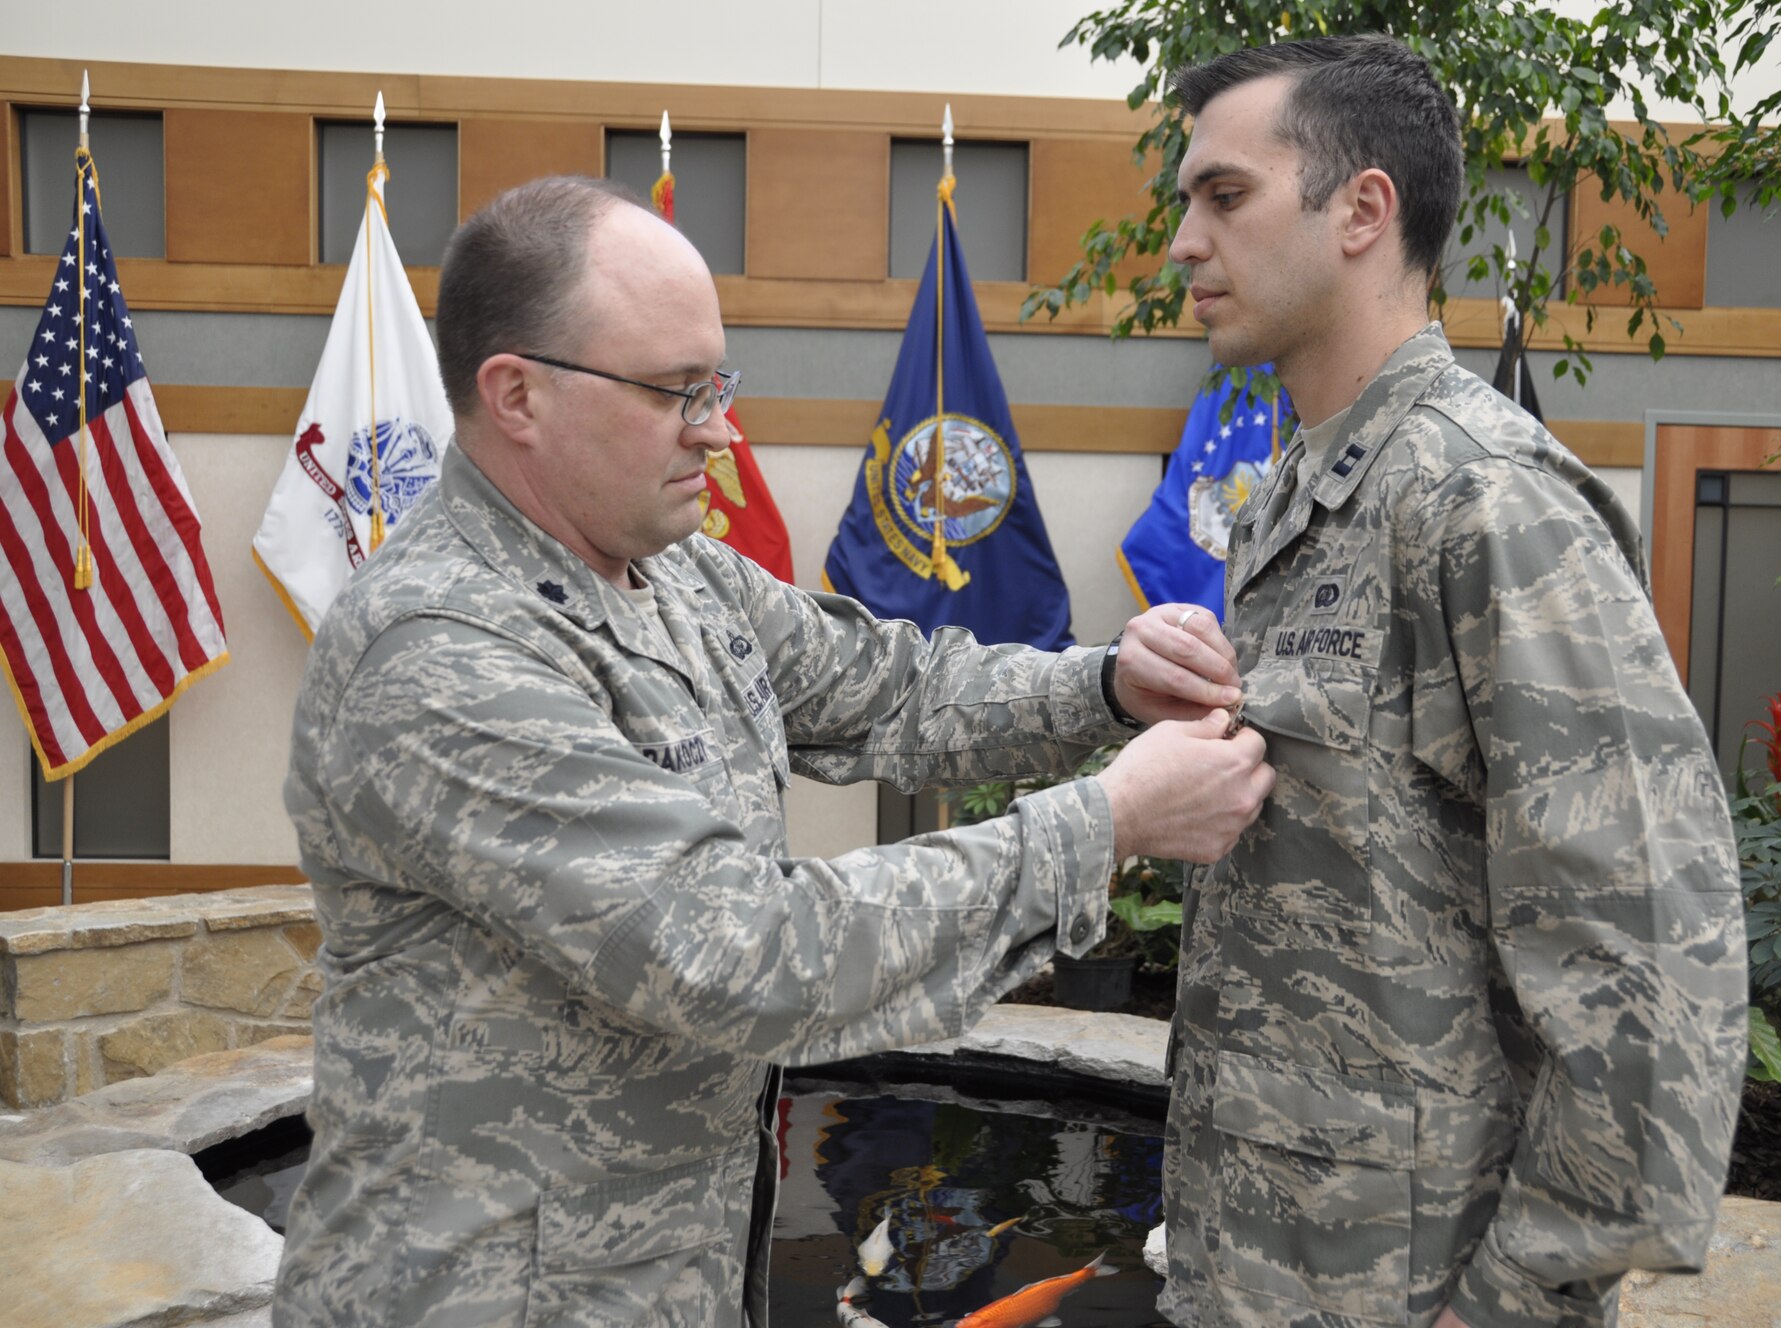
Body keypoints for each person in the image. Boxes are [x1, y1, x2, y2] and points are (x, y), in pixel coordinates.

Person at [271, 175, 1273, 1328]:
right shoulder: (439, 651)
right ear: (517, 395)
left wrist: (1103, 683)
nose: (718, 427)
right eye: (674, 391)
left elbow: (893, 687)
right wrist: (1105, 823)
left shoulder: (673, 569)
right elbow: (740, 949)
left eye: (717, 382)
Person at [1151, 35, 1749, 1328]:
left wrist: (1516, 1298)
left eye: (1225, 196)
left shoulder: (1484, 505)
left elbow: (1652, 961)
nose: (1183, 245)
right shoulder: (1302, 497)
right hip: (1267, 1266)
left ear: (1363, 210)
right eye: (1186, 203)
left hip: (1417, 1288)